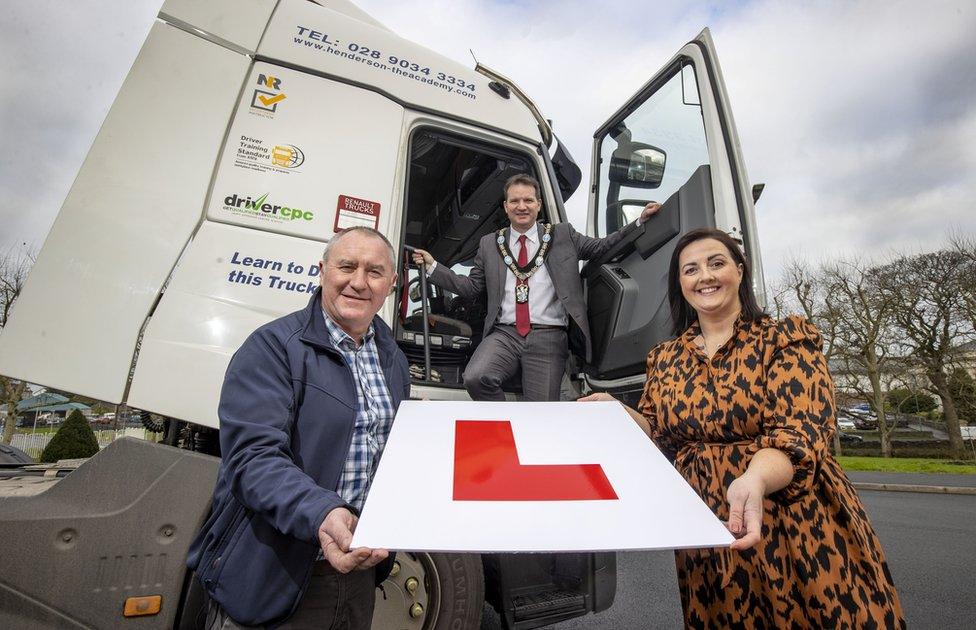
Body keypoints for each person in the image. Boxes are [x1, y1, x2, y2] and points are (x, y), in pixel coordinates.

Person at [580, 228, 905, 628]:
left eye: (716, 263)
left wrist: (754, 479)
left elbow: (797, 435)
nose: (705, 277)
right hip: (708, 527)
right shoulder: (664, 358)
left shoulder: (785, 338)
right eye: (691, 269)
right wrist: (620, 413)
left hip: (788, 513)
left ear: (739, 270)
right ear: (679, 283)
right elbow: (659, 433)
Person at [187, 226, 410, 629]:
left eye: (375, 272)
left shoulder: (393, 359)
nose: (358, 282)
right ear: (322, 270)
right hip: (273, 571)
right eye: (346, 266)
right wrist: (324, 513)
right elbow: (252, 459)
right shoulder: (272, 348)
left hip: (356, 578)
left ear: (391, 284)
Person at [411, 173, 660, 401]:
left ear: (538, 205)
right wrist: (434, 267)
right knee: (475, 377)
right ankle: (507, 424)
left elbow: (600, 248)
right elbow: (471, 287)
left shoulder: (562, 235)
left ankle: (529, 437)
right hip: (505, 334)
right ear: (505, 207)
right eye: (515, 201)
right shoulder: (489, 244)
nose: (522, 206)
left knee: (541, 411)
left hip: (548, 336)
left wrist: (638, 222)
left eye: (528, 200)